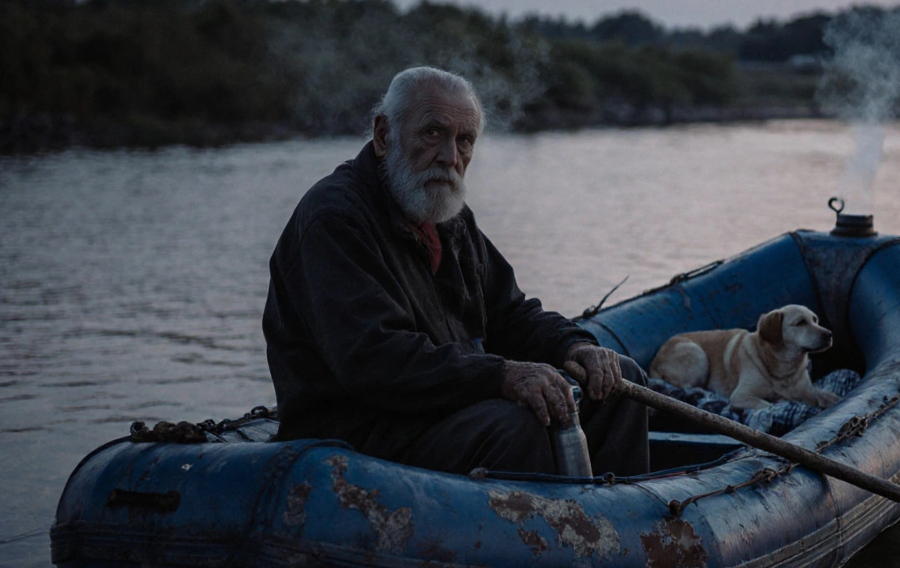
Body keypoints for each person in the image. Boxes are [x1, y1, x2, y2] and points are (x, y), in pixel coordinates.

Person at [262, 66, 649, 476]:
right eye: (433, 133)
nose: (450, 157)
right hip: (358, 431)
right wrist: (501, 376)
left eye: (464, 141)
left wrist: (574, 347)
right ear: (383, 135)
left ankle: (617, 527)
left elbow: (512, 315)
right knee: (521, 427)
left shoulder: (449, 218)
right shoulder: (335, 219)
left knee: (620, 384)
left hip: (433, 411)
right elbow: (375, 361)